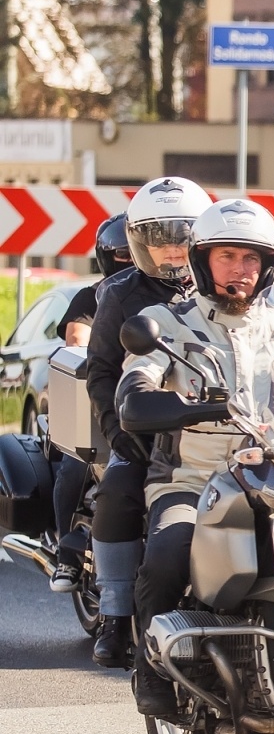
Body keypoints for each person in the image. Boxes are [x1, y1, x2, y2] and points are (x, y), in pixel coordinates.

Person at [119, 198, 274, 717]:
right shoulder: (163, 324)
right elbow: (134, 390)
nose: (241, 269)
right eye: (227, 256)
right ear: (202, 261)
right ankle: (152, 669)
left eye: (251, 258)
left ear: (269, 265)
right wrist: (175, 405)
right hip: (193, 479)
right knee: (168, 551)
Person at [85, 177, 212, 669]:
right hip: (145, 427)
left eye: (181, 235)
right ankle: (117, 616)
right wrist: (120, 432)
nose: (171, 249)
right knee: (118, 487)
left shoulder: (228, 283)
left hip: (226, 428)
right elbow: (100, 370)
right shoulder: (120, 292)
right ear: (139, 242)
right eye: (158, 237)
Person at [48, 214, 132, 593]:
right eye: (124, 255)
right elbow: (77, 339)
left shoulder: (184, 292)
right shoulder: (93, 297)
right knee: (76, 462)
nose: (133, 260)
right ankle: (65, 553)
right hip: (104, 399)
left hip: (160, 399)